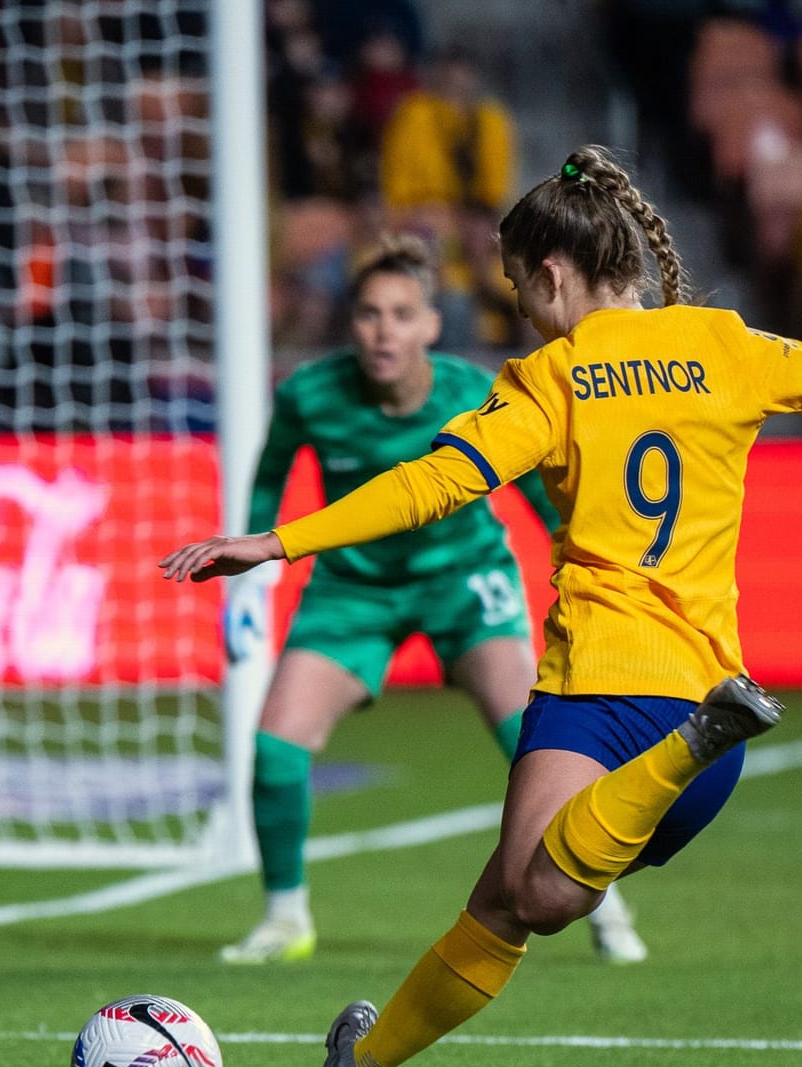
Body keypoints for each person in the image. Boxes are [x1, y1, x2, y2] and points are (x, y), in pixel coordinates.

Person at [161, 144, 802, 1067]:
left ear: (555, 273)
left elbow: (434, 483)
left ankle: (688, 743)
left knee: (538, 896)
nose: (522, 307)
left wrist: (279, 540)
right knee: (502, 903)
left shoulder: (553, 378)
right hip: (702, 680)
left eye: (519, 286)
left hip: (594, 699)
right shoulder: (727, 343)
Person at [220, 234, 650, 967]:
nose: (382, 330)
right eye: (367, 313)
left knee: (536, 748)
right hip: (354, 590)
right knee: (274, 748)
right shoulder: (308, 396)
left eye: (400, 314)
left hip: (464, 582)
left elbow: (538, 489)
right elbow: (267, 481)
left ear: (429, 325)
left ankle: (601, 899)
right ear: (350, 323)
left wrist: (575, 561)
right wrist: (252, 578)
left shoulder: (471, 393)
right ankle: (286, 916)